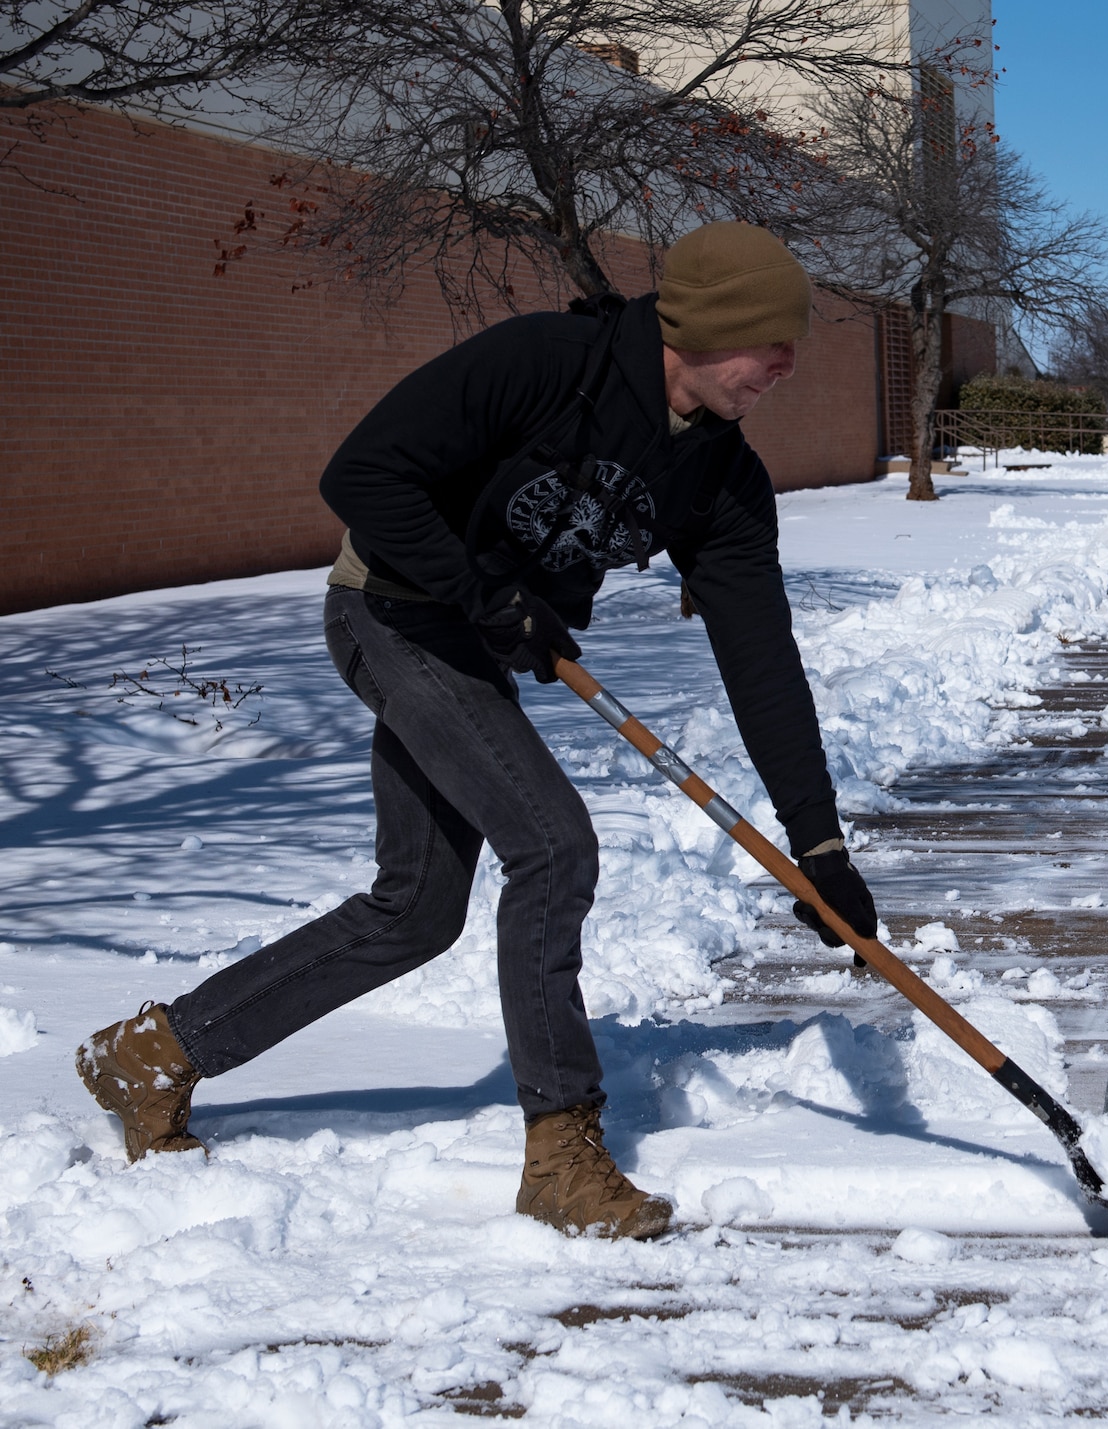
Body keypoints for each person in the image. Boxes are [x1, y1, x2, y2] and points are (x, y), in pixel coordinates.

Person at [74, 222, 879, 1238]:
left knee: (415, 909)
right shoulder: (546, 365)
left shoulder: (718, 479)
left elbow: (760, 656)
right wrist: (480, 589)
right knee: (551, 844)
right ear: (705, 328)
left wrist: (817, 842)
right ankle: (561, 1153)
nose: (785, 365)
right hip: (394, 613)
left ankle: (149, 1055)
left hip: (469, 644)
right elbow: (363, 474)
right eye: (769, 341)